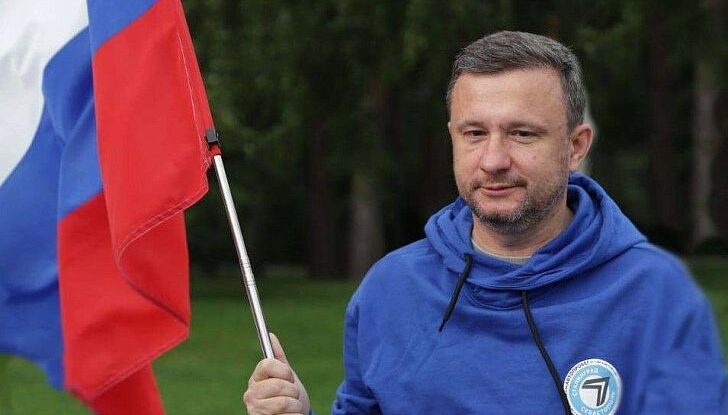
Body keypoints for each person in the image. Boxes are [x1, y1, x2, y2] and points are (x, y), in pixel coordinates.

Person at [243, 31, 728, 415]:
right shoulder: (390, 291)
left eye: (522, 133)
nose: (493, 160)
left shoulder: (656, 297)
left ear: (575, 146)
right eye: (474, 133)